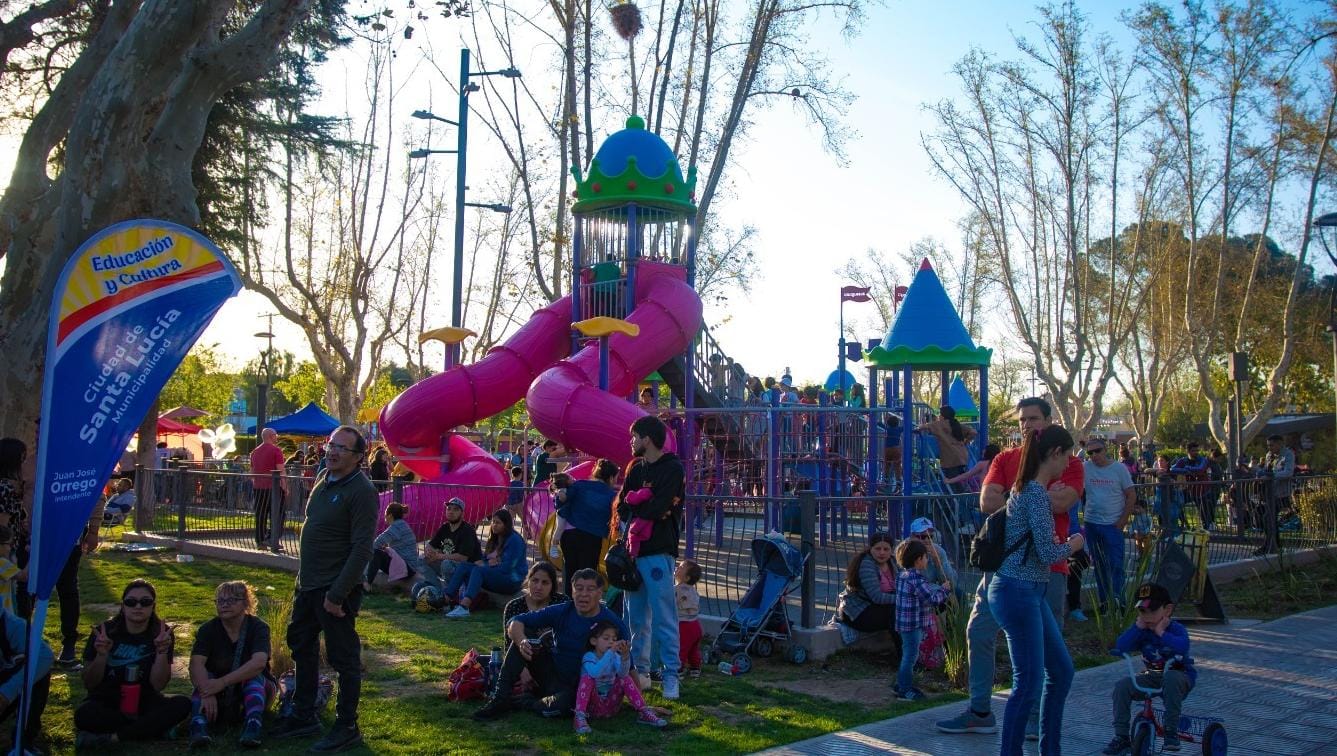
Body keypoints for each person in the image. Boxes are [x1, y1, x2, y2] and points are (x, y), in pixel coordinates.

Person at [937, 397, 1084, 741]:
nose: (1027, 425)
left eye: (1034, 418)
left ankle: (1034, 721)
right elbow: (987, 502)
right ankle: (980, 710)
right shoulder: (1006, 458)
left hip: (1047, 571)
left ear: (1048, 421)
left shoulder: (1068, 460)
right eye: (1022, 419)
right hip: (1005, 569)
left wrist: (1020, 496)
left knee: (1044, 660)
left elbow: (1065, 501)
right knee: (979, 631)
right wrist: (1033, 496)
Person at [271, 425, 377, 752]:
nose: (332, 451)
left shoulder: (361, 491)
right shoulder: (323, 480)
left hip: (335, 590)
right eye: (332, 444)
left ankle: (347, 726)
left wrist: (337, 594)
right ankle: (304, 713)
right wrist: (304, 581)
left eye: (342, 448)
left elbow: (362, 549)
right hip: (309, 585)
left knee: (343, 658)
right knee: (301, 647)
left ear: (359, 457)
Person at [989, 425, 1085, 754]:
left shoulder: (1029, 491)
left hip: (1029, 589)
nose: (1068, 464)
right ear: (1054, 454)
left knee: (1061, 671)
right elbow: (1047, 553)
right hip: (1018, 590)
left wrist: (1057, 544)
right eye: (1067, 457)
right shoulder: (1034, 494)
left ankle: (1050, 749)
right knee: (1027, 684)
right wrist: (1073, 544)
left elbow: (1039, 546)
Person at [474, 568, 630, 720]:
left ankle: (528, 702)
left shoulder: (613, 621)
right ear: (572, 591)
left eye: (590, 589)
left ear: (600, 592)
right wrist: (522, 641)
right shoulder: (562, 610)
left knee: (566, 706)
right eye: (579, 588)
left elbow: (629, 663)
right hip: (552, 673)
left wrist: (637, 704)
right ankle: (499, 698)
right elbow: (515, 622)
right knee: (525, 634)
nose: (583, 594)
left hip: (584, 686)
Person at [615, 415, 686, 700]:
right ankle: (638, 672)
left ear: (647, 438)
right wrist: (639, 509)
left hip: (658, 550)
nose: (631, 441)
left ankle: (671, 673)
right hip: (634, 551)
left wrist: (640, 508)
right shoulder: (635, 469)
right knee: (634, 616)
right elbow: (622, 504)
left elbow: (661, 506)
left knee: (664, 615)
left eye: (635, 436)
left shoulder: (672, 468)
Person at [74, 579, 191, 747]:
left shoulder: (161, 634)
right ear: (123, 606)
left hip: (145, 698)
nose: (138, 607)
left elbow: (158, 685)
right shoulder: (104, 632)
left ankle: (113, 738)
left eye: (145, 602)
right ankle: (150, 728)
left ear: (153, 606)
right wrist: (101, 655)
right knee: (84, 714)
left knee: (182, 704)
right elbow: (90, 683)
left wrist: (161, 652)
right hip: (108, 698)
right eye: (131, 602)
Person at [1102, 582, 1196, 755]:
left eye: (1152, 610)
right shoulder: (1142, 630)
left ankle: (1170, 731)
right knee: (1122, 686)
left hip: (1179, 676)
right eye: (1143, 611)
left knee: (1171, 679)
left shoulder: (1175, 629)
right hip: (1153, 676)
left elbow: (1182, 647)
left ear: (1167, 610)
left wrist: (1161, 632)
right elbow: (1121, 646)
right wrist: (1137, 627)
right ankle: (1121, 736)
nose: (1147, 616)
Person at [187, 581, 277, 749]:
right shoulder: (208, 629)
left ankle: (253, 724)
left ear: (246, 603)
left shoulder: (258, 628)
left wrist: (222, 683)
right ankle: (198, 726)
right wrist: (206, 691)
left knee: (253, 679)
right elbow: (196, 664)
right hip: (217, 688)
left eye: (232, 600)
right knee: (205, 680)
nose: (225, 605)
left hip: (256, 686)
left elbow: (258, 663)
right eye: (220, 601)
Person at [573, 620, 667, 734]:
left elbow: (623, 673)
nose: (611, 642)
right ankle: (579, 717)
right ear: (593, 641)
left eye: (614, 639)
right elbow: (595, 673)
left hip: (612, 705)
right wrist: (610, 652)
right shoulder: (589, 657)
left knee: (625, 678)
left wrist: (625, 657)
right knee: (586, 679)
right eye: (606, 638)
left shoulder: (614, 656)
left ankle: (643, 712)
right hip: (592, 708)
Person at [893, 538, 951, 701]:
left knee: (908, 654)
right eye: (926, 557)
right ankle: (905, 690)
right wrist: (944, 591)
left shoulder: (902, 575)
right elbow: (930, 599)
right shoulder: (917, 579)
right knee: (910, 656)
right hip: (914, 624)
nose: (927, 560)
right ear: (919, 559)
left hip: (904, 623)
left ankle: (902, 683)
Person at [444, 509, 527, 618]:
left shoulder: (515, 540)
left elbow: (508, 567)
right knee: (464, 566)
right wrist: (485, 562)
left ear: (506, 524)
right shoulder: (495, 538)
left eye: (498, 523)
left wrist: (487, 565)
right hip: (496, 574)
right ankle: (446, 598)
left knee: (478, 570)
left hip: (511, 580)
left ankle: (464, 607)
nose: (494, 525)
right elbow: (485, 560)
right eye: (493, 522)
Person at [1083, 438, 1136, 608]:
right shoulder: (1086, 467)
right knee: (1098, 565)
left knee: (1115, 564)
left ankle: (1119, 601)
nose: (1094, 455)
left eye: (1097, 451)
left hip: (1112, 525)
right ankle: (1105, 601)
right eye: (1090, 452)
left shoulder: (1119, 469)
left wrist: (1122, 521)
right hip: (1092, 523)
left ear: (1105, 450)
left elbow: (1131, 494)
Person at [555, 459, 618, 594]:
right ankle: (584, 605)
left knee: (570, 571)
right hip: (592, 538)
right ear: (611, 477)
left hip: (569, 534)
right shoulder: (612, 495)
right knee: (587, 575)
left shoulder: (579, 484)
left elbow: (560, 502)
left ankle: (568, 602)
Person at [0, 604, 52, 752]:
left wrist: (6, 693)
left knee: (35, 666)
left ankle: (24, 740)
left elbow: (44, 655)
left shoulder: (8, 623)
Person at [836, 532, 899, 636]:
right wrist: (904, 599)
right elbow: (876, 597)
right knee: (898, 613)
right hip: (858, 612)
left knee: (906, 611)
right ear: (871, 549)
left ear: (891, 550)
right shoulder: (866, 564)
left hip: (879, 607)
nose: (882, 553)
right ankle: (904, 651)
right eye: (878, 549)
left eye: (886, 549)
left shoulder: (893, 562)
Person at [501, 563, 569, 657]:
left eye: (545, 582)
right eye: (535, 581)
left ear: (552, 585)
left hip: (553, 660)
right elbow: (509, 647)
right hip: (521, 658)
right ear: (528, 581)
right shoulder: (514, 606)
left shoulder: (561, 602)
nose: (539, 587)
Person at [420, 498, 482, 596]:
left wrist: (439, 556)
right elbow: (430, 545)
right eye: (449, 509)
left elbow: (463, 558)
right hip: (448, 564)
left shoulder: (467, 530)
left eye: (455, 509)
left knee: (446, 564)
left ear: (462, 513)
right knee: (421, 559)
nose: (451, 512)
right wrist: (428, 551)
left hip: (467, 569)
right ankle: (437, 590)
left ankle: (451, 594)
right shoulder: (444, 527)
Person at [363, 502, 427, 592]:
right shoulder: (402, 525)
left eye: (385, 514)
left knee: (376, 553)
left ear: (390, 515)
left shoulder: (396, 527)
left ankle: (367, 583)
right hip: (409, 567)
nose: (384, 517)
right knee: (378, 552)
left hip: (406, 569)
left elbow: (376, 544)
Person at [919, 405, 977, 489]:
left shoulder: (938, 424)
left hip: (950, 458)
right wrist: (966, 441)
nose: (938, 416)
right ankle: (963, 496)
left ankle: (955, 499)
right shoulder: (957, 424)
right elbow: (974, 432)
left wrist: (919, 427)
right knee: (960, 479)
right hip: (962, 456)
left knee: (952, 482)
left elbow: (922, 427)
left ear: (942, 416)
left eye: (939, 414)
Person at [1257, 434, 1295, 555]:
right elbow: (1267, 470)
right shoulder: (1269, 455)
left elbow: (1288, 472)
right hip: (1270, 492)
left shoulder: (1288, 454)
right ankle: (1274, 544)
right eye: (1268, 445)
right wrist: (1258, 473)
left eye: (1272, 445)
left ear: (1280, 444)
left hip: (1282, 493)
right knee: (1267, 518)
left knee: (1268, 518)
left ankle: (1270, 545)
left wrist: (1271, 476)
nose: (1269, 448)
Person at [250, 428, 287, 549]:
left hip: (258, 487)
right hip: (273, 487)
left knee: (260, 514)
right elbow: (281, 470)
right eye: (276, 435)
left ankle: (260, 540)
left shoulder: (254, 452)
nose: (277, 437)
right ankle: (272, 538)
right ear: (271, 436)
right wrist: (285, 486)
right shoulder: (276, 450)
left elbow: (252, 472)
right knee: (278, 514)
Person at [1170, 442, 1210, 529]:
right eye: (1193, 451)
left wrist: (1187, 469)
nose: (1196, 452)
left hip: (1202, 490)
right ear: (1188, 451)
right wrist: (1185, 471)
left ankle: (1206, 528)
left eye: (1197, 450)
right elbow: (1172, 469)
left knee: (1204, 510)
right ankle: (1185, 525)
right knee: (1177, 503)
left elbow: (1200, 469)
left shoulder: (1203, 459)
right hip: (1190, 489)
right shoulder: (1183, 460)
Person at [908, 518, 957, 588]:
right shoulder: (904, 551)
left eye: (930, 536)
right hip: (915, 592)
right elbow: (913, 584)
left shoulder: (938, 550)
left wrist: (938, 561)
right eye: (922, 537)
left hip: (934, 590)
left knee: (959, 593)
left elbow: (952, 583)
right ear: (912, 536)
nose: (927, 540)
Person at [675, 560, 703, 679]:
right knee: (693, 649)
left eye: (681, 567)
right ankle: (695, 668)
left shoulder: (677, 590)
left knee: (681, 648)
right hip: (696, 625)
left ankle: (678, 669)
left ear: (686, 578)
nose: (677, 568)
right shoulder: (693, 591)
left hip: (684, 626)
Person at [0, 526, 23, 614]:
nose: (10, 549)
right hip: (3, 615)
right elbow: (23, 576)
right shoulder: (2, 563)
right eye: (9, 544)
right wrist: (33, 556)